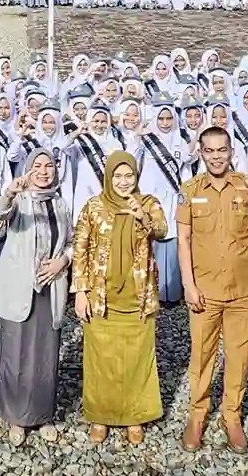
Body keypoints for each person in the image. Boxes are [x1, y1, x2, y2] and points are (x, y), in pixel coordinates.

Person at [177, 127, 248, 453]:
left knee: (238, 357)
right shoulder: (190, 189)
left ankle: (232, 416)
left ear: (231, 151)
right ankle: (197, 416)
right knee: (202, 356)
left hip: (242, 290)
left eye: (221, 150)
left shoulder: (247, 186)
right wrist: (188, 285)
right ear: (200, 152)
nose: (216, 156)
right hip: (205, 289)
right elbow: (183, 240)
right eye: (209, 151)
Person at [72, 150, 168, 446]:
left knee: (137, 359)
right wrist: (80, 291)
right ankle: (102, 416)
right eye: (118, 176)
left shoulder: (149, 203)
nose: (124, 182)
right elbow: (80, 249)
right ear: (108, 177)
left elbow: (163, 231)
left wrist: (143, 218)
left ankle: (134, 416)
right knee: (101, 359)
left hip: (137, 298)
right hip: (102, 297)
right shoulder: (94, 206)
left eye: (129, 176)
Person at [0, 147, 72, 444]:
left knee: (46, 354)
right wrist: (10, 192)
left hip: (51, 285)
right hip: (20, 286)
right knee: (16, 352)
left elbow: (72, 241)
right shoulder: (19, 201)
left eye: (49, 165)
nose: (44, 171)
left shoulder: (60, 204)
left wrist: (63, 260)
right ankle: (16, 417)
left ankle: (42, 414)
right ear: (27, 168)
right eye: (37, 165)